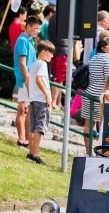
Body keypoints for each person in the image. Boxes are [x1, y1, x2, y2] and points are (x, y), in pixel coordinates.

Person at [82, 31, 109, 153]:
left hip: (88, 93)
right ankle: (101, 152)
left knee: (88, 124)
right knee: (103, 125)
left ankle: (88, 152)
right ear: (103, 48)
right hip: (101, 96)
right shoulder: (107, 59)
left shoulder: (94, 58)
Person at [14, 16, 42, 148]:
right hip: (26, 80)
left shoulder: (30, 41)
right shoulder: (23, 41)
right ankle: (22, 139)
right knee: (24, 109)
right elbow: (22, 63)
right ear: (28, 26)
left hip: (30, 79)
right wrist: (27, 80)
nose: (38, 31)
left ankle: (25, 139)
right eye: (36, 28)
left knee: (26, 109)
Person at [27, 40, 55, 165]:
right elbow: (39, 80)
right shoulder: (42, 64)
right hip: (41, 100)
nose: (52, 56)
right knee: (40, 127)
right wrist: (47, 94)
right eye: (51, 53)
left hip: (33, 99)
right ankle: (35, 154)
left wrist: (31, 94)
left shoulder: (34, 64)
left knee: (32, 127)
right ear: (43, 52)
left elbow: (29, 81)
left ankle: (30, 153)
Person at [47, 11, 69, 110]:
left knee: (56, 77)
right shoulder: (63, 16)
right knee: (58, 78)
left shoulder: (54, 17)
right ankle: (53, 102)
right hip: (61, 49)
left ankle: (57, 102)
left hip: (56, 49)